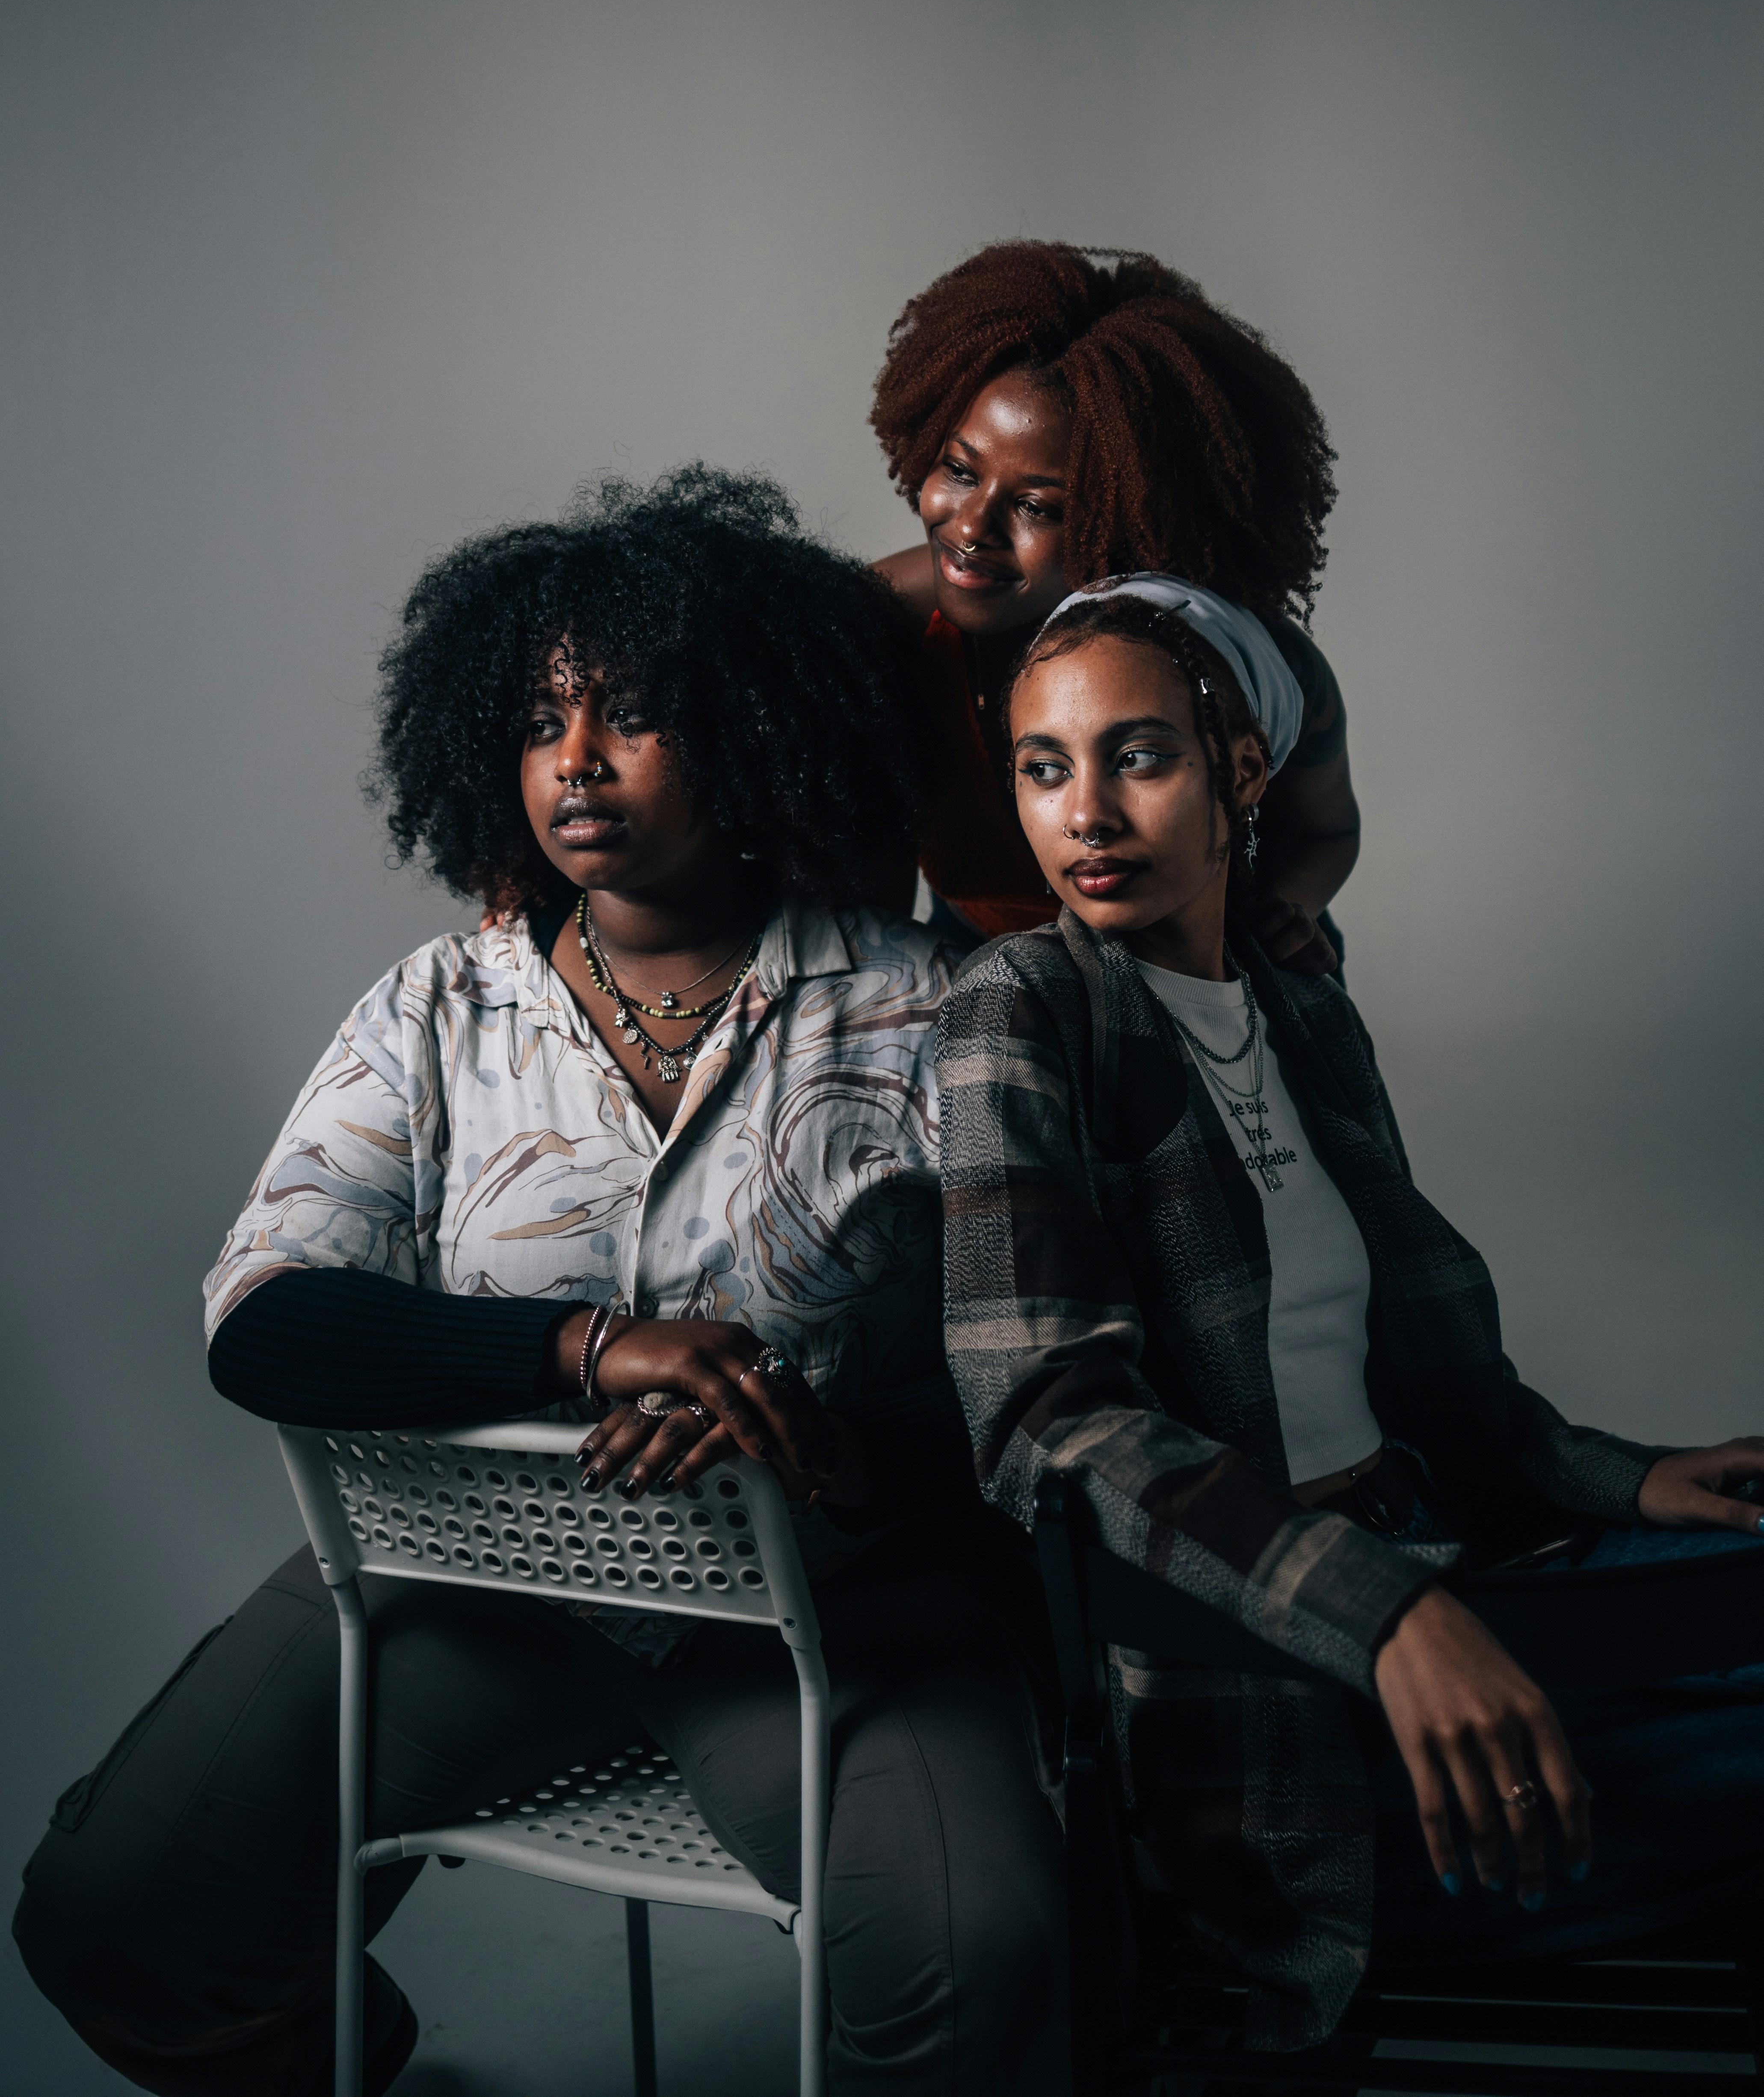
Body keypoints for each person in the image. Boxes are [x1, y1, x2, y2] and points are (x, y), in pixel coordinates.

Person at [14, 468, 1066, 2097]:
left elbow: (1033, 1383)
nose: (574, 760)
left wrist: (833, 1441)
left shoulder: (927, 1009)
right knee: (110, 1922)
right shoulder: (437, 1008)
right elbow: (267, 1316)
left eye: (632, 713)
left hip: (829, 1615)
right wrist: (591, 1347)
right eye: (538, 718)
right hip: (483, 1602)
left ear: (757, 725)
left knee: (976, 1962)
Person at [934, 583, 1764, 2056]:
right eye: (1042, 766)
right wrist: (1379, 1610)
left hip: (1446, 1552)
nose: (1086, 813)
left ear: (1241, 772)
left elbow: (1419, 1373)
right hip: (1257, 1692)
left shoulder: (1298, 1003)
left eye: (1139, 755)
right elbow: (1046, 1426)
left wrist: (1625, 1475)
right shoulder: (1023, 1008)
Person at [870, 239, 1356, 974]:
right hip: (985, 991)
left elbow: (1328, 832)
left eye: (1038, 507)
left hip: (1220, 981)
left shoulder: (1250, 669)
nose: (969, 528)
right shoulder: (876, 628)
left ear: (1133, 522)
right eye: (960, 471)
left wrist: (1283, 914)